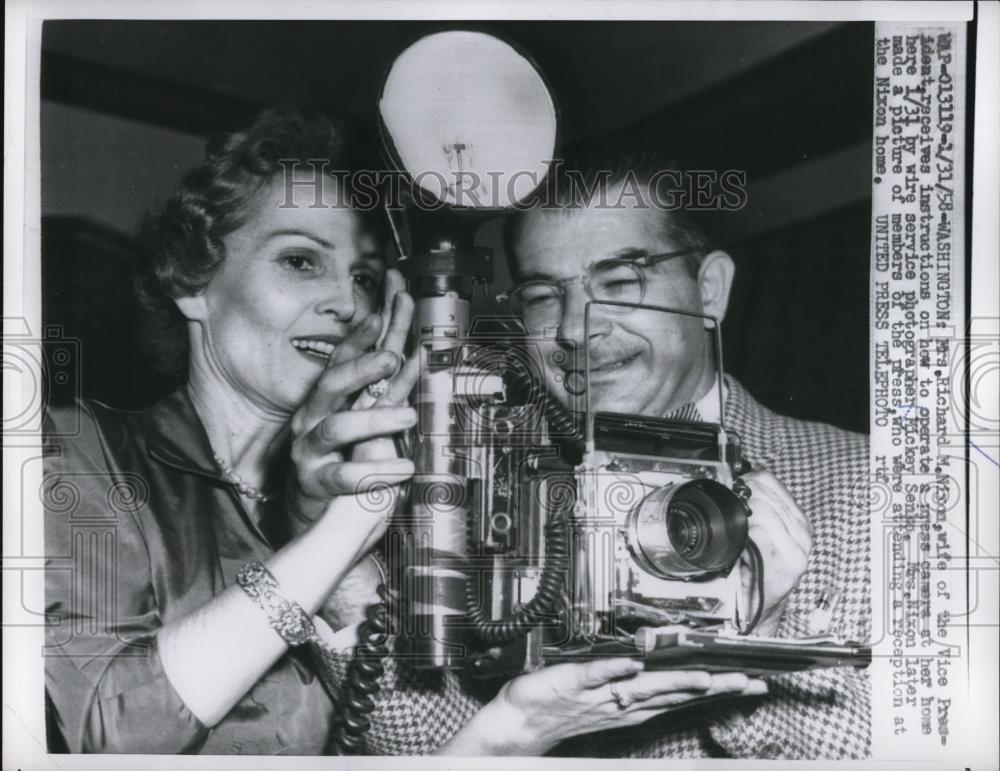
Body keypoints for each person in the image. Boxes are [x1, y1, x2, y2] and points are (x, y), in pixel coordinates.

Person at [43, 109, 765, 756]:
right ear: (188, 279)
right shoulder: (79, 448)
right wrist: (339, 531)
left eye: (364, 277)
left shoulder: (431, 487)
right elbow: (106, 730)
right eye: (301, 261)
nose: (346, 303)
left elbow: (434, 740)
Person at [495, 145, 871, 759]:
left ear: (709, 290)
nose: (572, 329)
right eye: (541, 296)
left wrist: (753, 653)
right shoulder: (504, 494)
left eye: (618, 282)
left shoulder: (872, 483)